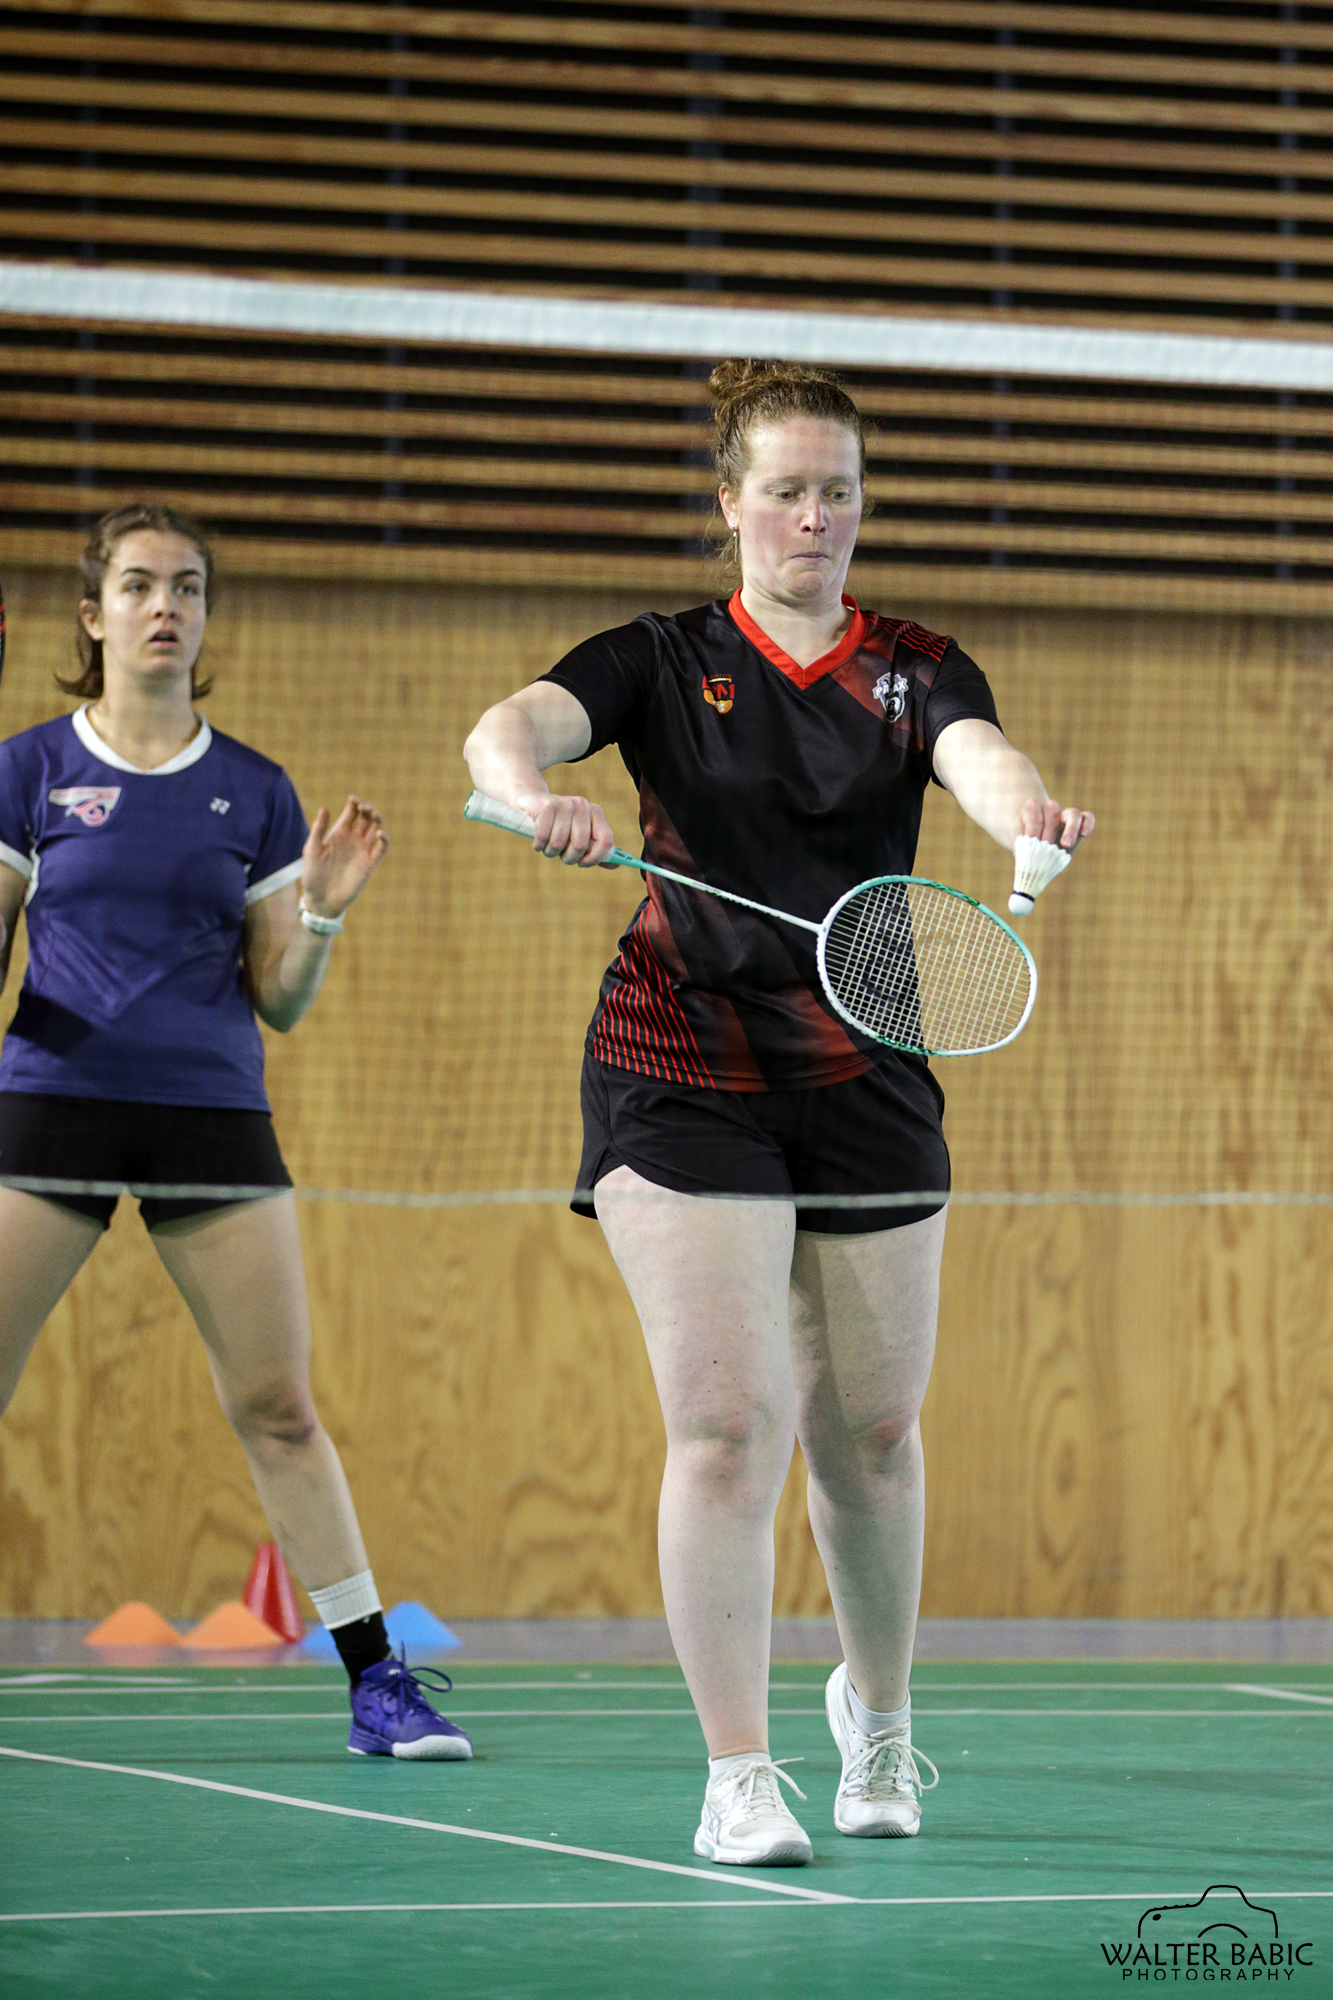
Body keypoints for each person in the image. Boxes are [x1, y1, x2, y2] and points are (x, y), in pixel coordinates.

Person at [464, 361, 1094, 1865]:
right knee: (728, 1425)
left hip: (867, 1063)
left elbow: (977, 753)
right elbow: (508, 725)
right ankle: (737, 1773)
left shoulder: (914, 667)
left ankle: (877, 1719)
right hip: (680, 1060)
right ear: (731, 503)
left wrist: (1023, 811)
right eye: (788, 490)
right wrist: (534, 793)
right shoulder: (660, 658)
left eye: (839, 493)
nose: (816, 518)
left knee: (869, 1431)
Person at [0, 502, 469, 1762]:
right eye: (139, 584)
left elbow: (281, 1000)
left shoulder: (254, 788)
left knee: (278, 1403)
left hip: (210, 1109)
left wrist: (321, 913)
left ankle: (376, 1682)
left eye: (188, 586)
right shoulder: (27, 769)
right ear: (93, 614)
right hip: (50, 1103)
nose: (167, 605)